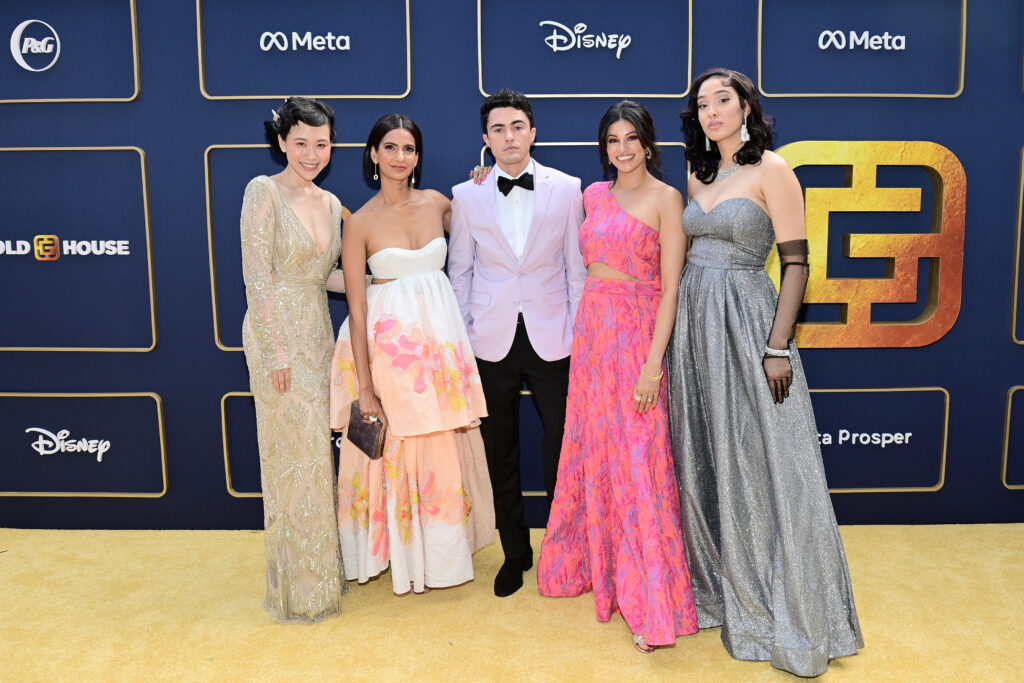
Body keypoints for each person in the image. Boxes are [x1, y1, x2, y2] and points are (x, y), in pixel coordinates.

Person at [668, 68, 864, 676]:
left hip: (748, 323)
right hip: (694, 327)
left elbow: (797, 265)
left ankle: (791, 612)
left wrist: (777, 345)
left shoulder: (774, 170)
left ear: (747, 106)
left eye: (722, 100)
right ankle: (723, 590)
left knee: (766, 463)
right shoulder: (700, 172)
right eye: (701, 104)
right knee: (707, 455)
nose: (710, 112)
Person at [535, 101, 698, 651]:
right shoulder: (592, 195)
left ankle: (649, 598)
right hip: (593, 336)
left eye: (631, 139)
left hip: (637, 336)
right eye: (612, 140)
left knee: (637, 463)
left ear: (648, 143)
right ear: (603, 147)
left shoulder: (666, 199)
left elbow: (671, 287)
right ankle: (597, 570)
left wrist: (654, 364)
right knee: (596, 454)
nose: (622, 149)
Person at [330, 113, 494, 595]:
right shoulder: (358, 223)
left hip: (439, 357)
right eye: (391, 148)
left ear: (417, 157)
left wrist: (483, 182)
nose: (400, 158)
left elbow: (479, 219)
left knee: (438, 447)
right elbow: (357, 312)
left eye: (409, 149)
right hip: (389, 356)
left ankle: (439, 558)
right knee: (392, 448)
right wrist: (364, 388)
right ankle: (397, 556)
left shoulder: (440, 204)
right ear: (373, 154)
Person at [449, 89, 587, 598]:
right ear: (486, 140)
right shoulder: (467, 196)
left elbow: (577, 268)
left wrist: (580, 336)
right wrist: (464, 341)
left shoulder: (568, 189)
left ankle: (560, 548)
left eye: (518, 126)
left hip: (555, 337)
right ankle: (514, 552)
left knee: (561, 448)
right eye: (499, 130)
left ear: (533, 131)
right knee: (498, 449)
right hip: (490, 340)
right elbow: (460, 270)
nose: (509, 137)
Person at [240, 96, 346, 622]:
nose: (311, 153)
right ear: (282, 141)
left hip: (317, 333)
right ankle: (299, 591)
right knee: (294, 457)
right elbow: (257, 275)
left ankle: (322, 577)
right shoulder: (263, 191)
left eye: (321, 143)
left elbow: (323, 276)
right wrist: (276, 347)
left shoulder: (329, 203)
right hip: (275, 336)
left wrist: (387, 284)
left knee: (314, 458)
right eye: (300, 142)